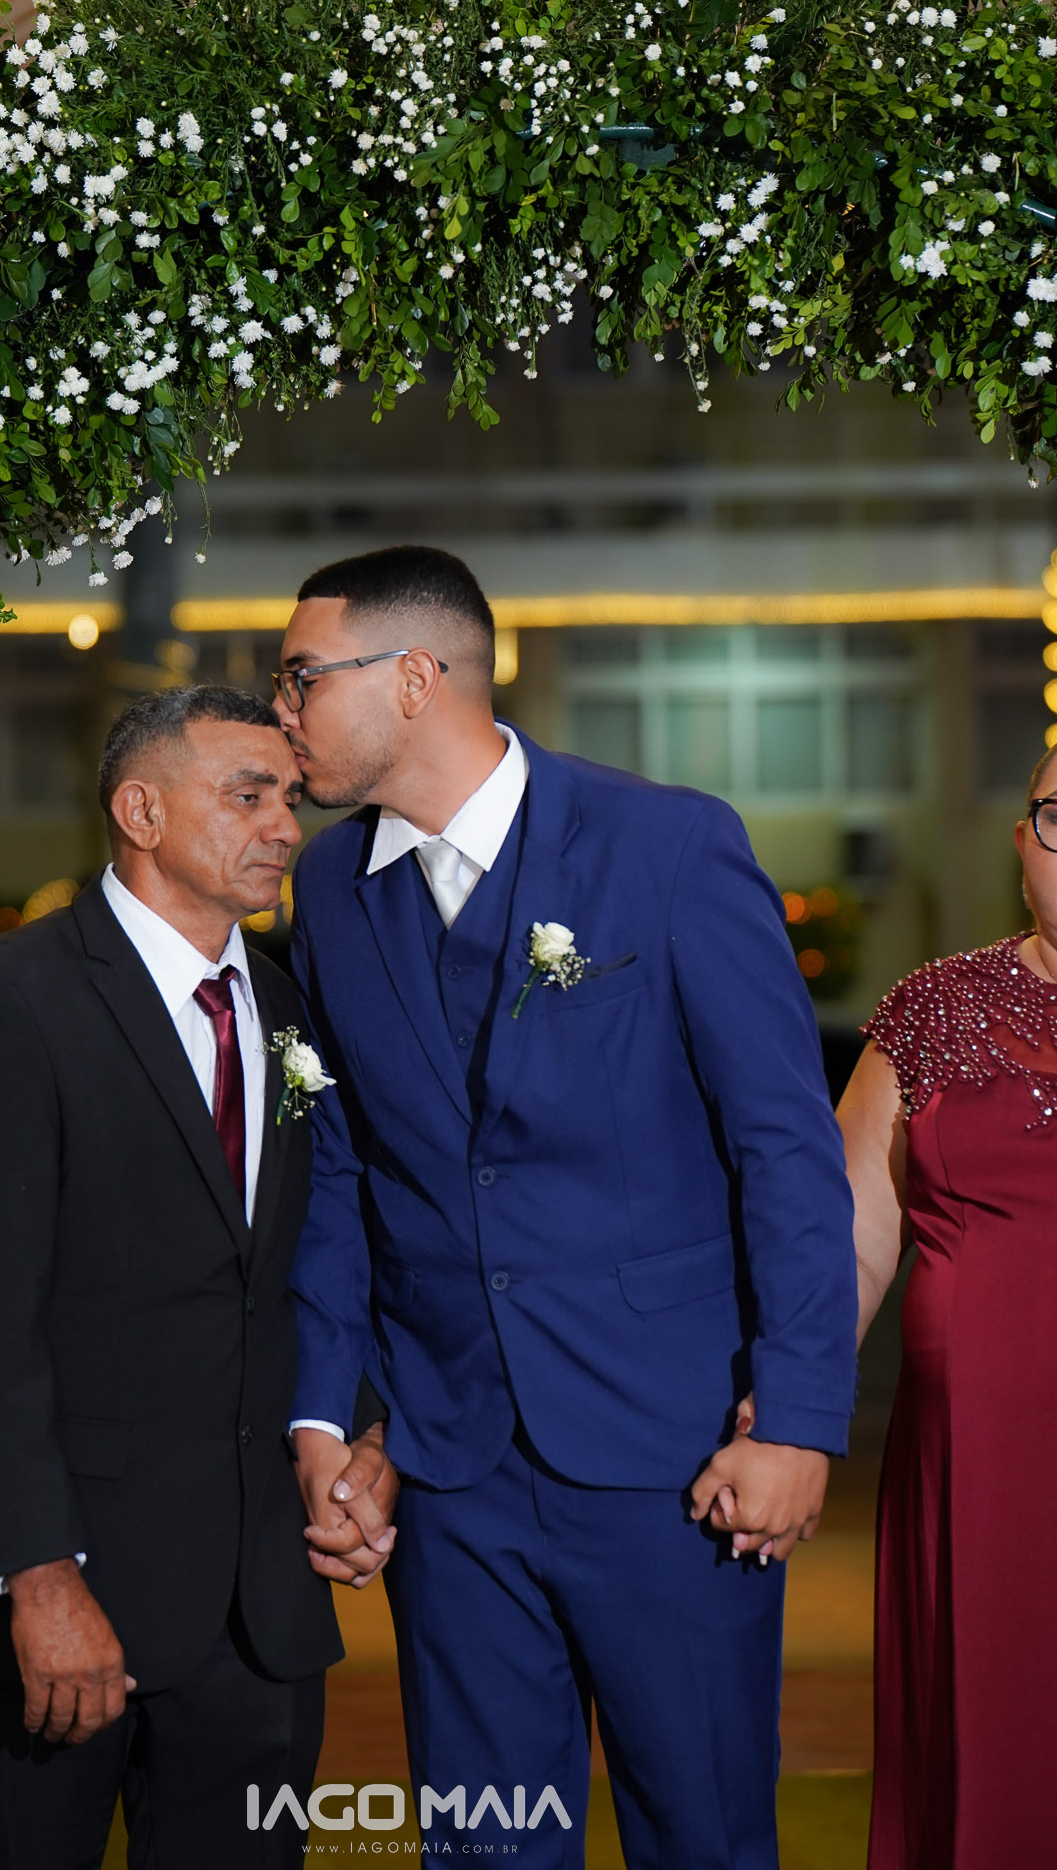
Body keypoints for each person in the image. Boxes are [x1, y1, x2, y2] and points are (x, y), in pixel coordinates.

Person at [272, 546, 858, 1869]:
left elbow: (783, 1147)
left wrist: (799, 1416)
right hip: (451, 1470)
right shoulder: (328, 893)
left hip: (674, 1458)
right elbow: (345, 1174)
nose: (282, 711)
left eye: (302, 677)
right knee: (485, 1845)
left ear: (414, 677)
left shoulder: (668, 845)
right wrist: (324, 1412)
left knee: (702, 1836)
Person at [0, 685, 389, 1870]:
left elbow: (302, 1262)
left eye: (291, 797)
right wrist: (41, 1579)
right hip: (31, 1614)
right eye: (248, 794)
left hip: (254, 1620)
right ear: (141, 810)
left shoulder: (290, 1006)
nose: (284, 825)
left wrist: (354, 1426)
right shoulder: (2, 1001)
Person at [843, 721, 1057, 1870]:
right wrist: (783, 1410)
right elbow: (850, 1243)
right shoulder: (932, 1010)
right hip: (976, 1462)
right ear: (1023, 842)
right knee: (989, 1738)